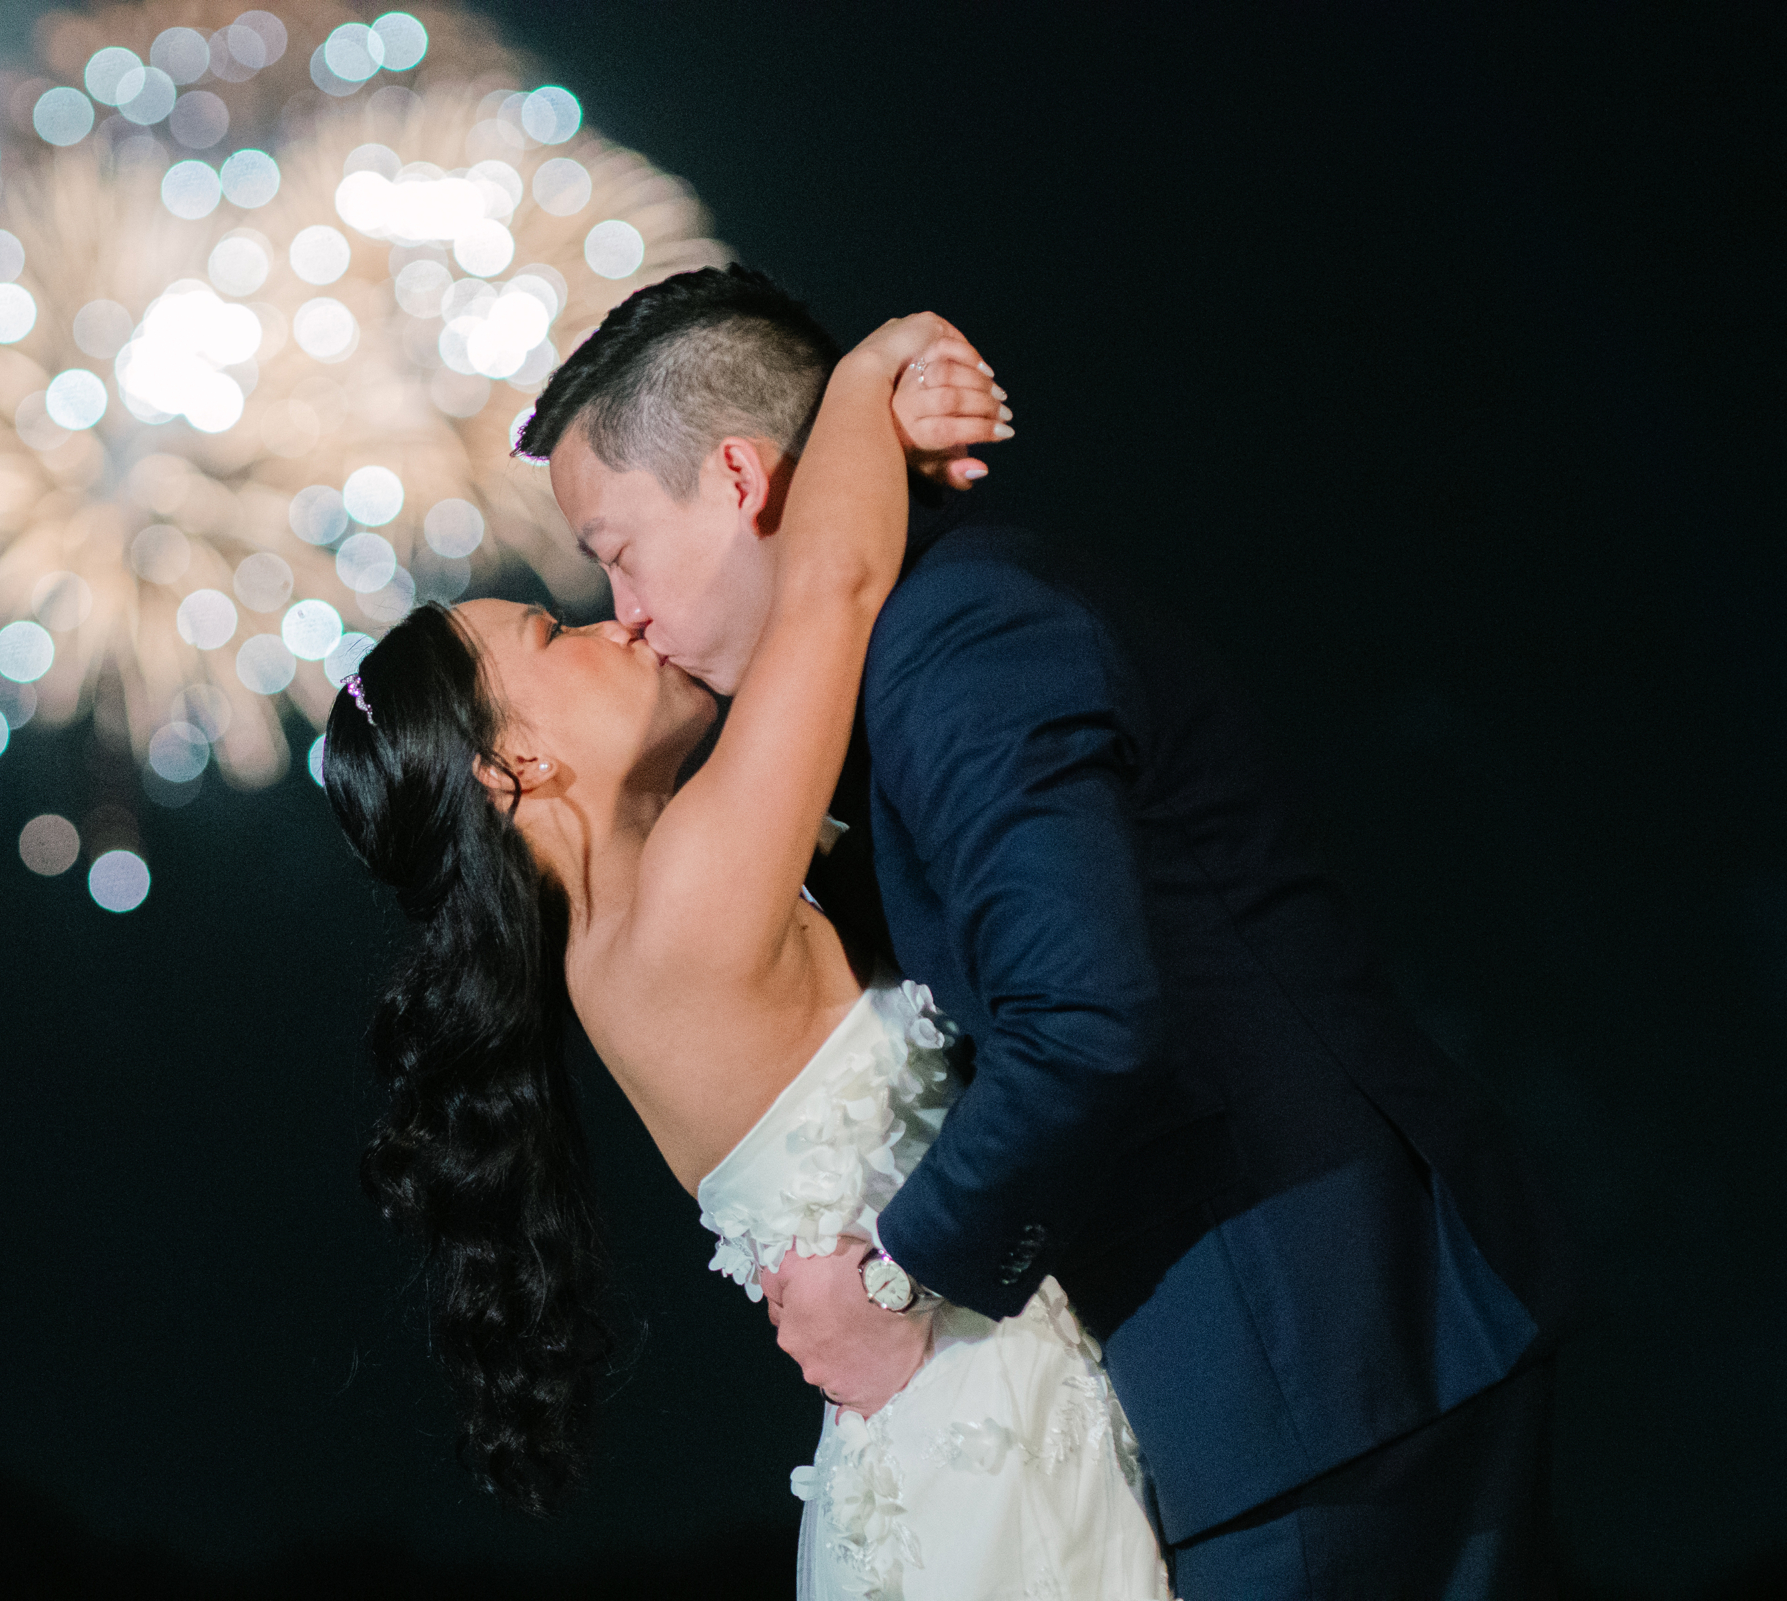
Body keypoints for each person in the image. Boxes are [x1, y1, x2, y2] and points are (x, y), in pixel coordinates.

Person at [510, 265, 1582, 1597]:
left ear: (738, 477)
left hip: (1324, 1349)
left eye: (616, 552)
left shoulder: (961, 638)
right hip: (1283, 1371)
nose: (627, 614)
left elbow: (1086, 1022)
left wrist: (896, 1274)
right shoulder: (901, 663)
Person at [324, 309, 1173, 1599]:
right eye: (555, 636)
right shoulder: (678, 913)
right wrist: (867, 375)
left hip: (952, 1419)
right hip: (974, 1432)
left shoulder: (636, 931)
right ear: (514, 765)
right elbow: (830, 589)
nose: (617, 624)